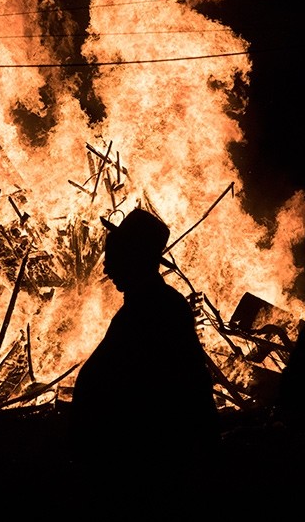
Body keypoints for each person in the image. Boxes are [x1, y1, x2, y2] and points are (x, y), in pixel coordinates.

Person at [68, 207, 221, 519]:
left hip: (147, 462)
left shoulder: (153, 310)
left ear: (135, 258)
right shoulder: (158, 305)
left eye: (114, 256)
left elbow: (187, 386)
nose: (107, 267)